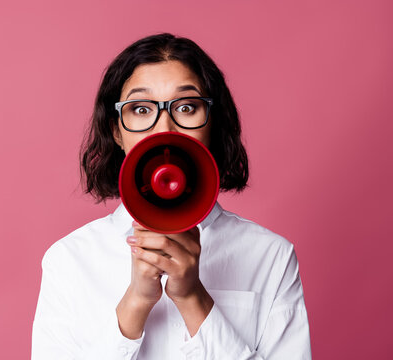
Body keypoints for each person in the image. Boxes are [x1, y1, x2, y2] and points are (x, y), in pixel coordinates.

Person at [32, 33, 311, 359]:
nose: (164, 128)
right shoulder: (69, 261)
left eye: (187, 107)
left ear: (213, 124)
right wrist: (136, 302)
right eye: (140, 109)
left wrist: (193, 298)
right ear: (116, 131)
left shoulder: (271, 257)